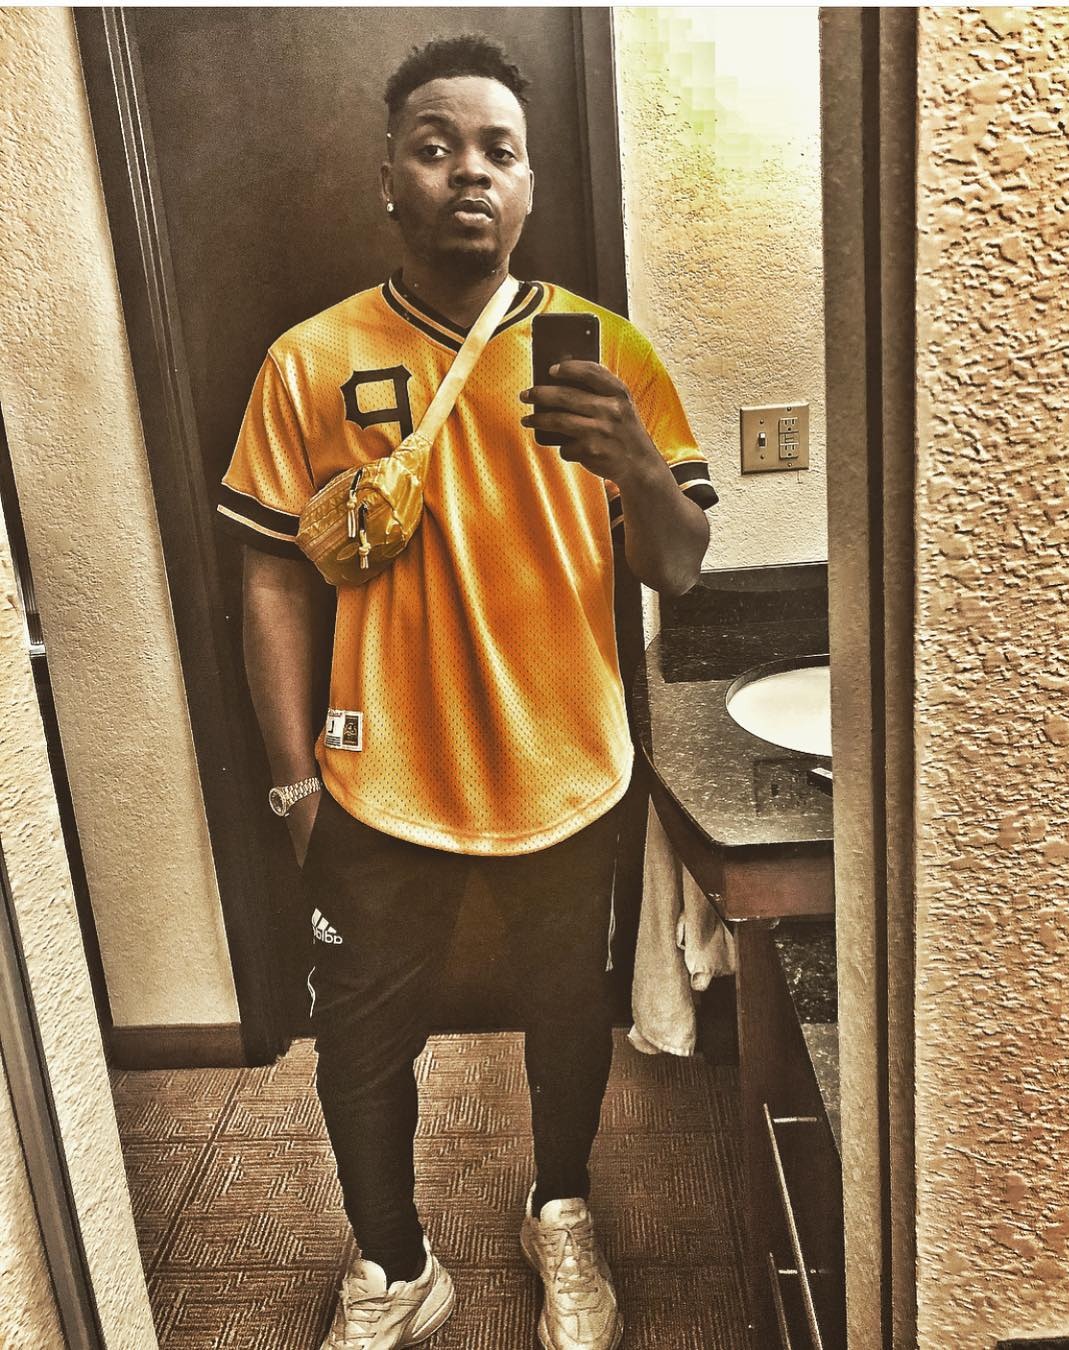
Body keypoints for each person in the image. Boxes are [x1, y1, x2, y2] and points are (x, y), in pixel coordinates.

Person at [218, 33, 716, 1350]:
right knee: (358, 1047)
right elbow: (270, 579)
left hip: (570, 769)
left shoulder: (608, 352)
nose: (470, 173)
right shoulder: (309, 360)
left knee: (568, 1021)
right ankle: (394, 1264)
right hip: (378, 775)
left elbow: (678, 566)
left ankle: (561, 1208)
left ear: (532, 184)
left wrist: (638, 464)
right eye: (435, 147)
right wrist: (291, 783)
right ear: (390, 176)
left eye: (499, 150)